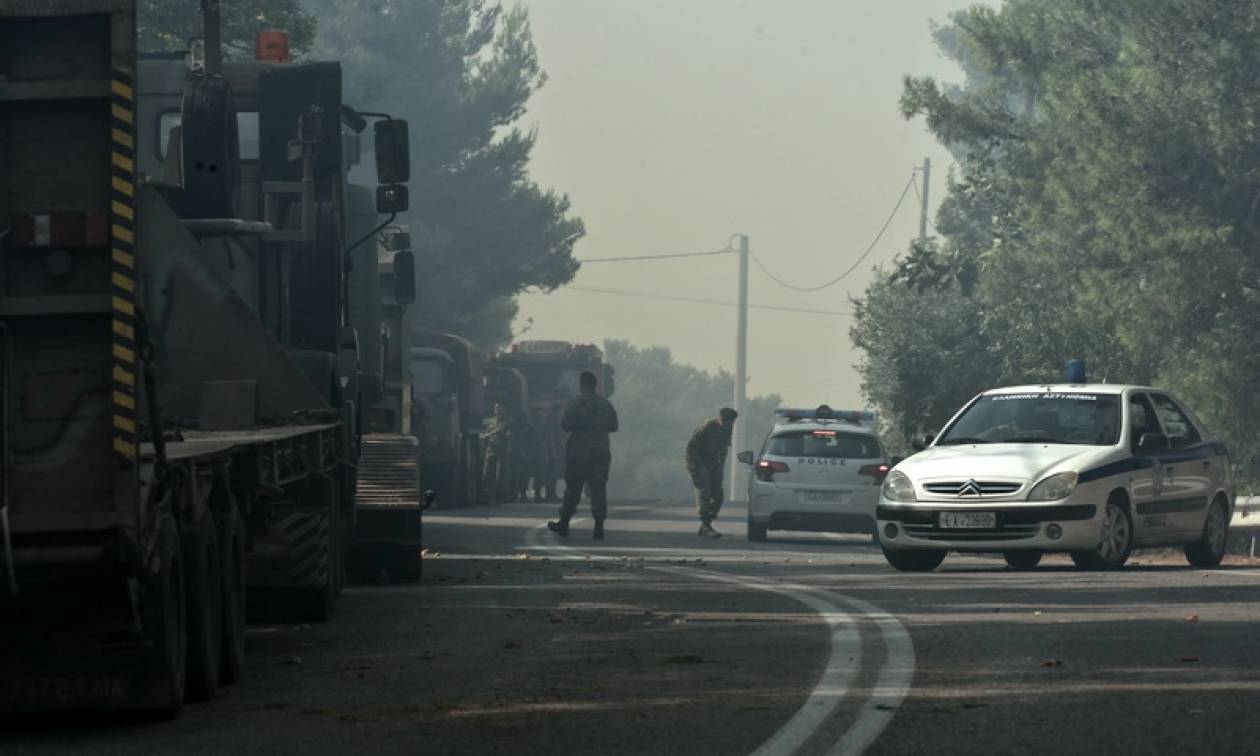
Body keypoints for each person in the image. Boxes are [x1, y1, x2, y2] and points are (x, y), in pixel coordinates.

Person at [548, 371, 619, 540]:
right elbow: (614, 426)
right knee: (598, 490)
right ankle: (599, 528)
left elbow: (565, 425)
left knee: (572, 490)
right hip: (600, 453)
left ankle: (564, 524)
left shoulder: (575, 403)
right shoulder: (605, 404)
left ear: (581, 385)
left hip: (578, 453)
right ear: (595, 385)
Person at [686, 407, 738, 538]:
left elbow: (723, 451)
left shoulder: (727, 432)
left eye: (731, 422)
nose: (729, 425)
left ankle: (706, 525)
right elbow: (692, 448)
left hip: (713, 464)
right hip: (696, 462)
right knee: (704, 491)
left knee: (718, 495)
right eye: (727, 422)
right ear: (721, 420)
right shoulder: (707, 427)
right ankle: (706, 525)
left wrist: (720, 469)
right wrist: (701, 467)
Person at [481, 402, 513, 505]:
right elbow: (485, 434)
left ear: (505, 409)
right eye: (496, 408)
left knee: (500, 475)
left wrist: (497, 432)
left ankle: (500, 497)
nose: (498, 410)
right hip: (491, 450)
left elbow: (508, 434)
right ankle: (488, 497)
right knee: (487, 474)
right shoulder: (491, 421)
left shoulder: (508, 422)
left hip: (501, 451)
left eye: (500, 408)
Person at [543, 405, 565, 502]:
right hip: (552, 453)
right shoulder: (551, 423)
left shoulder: (551, 422)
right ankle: (550, 494)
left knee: (553, 474)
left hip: (553, 452)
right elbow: (551, 439)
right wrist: (554, 453)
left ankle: (552, 494)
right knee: (552, 474)